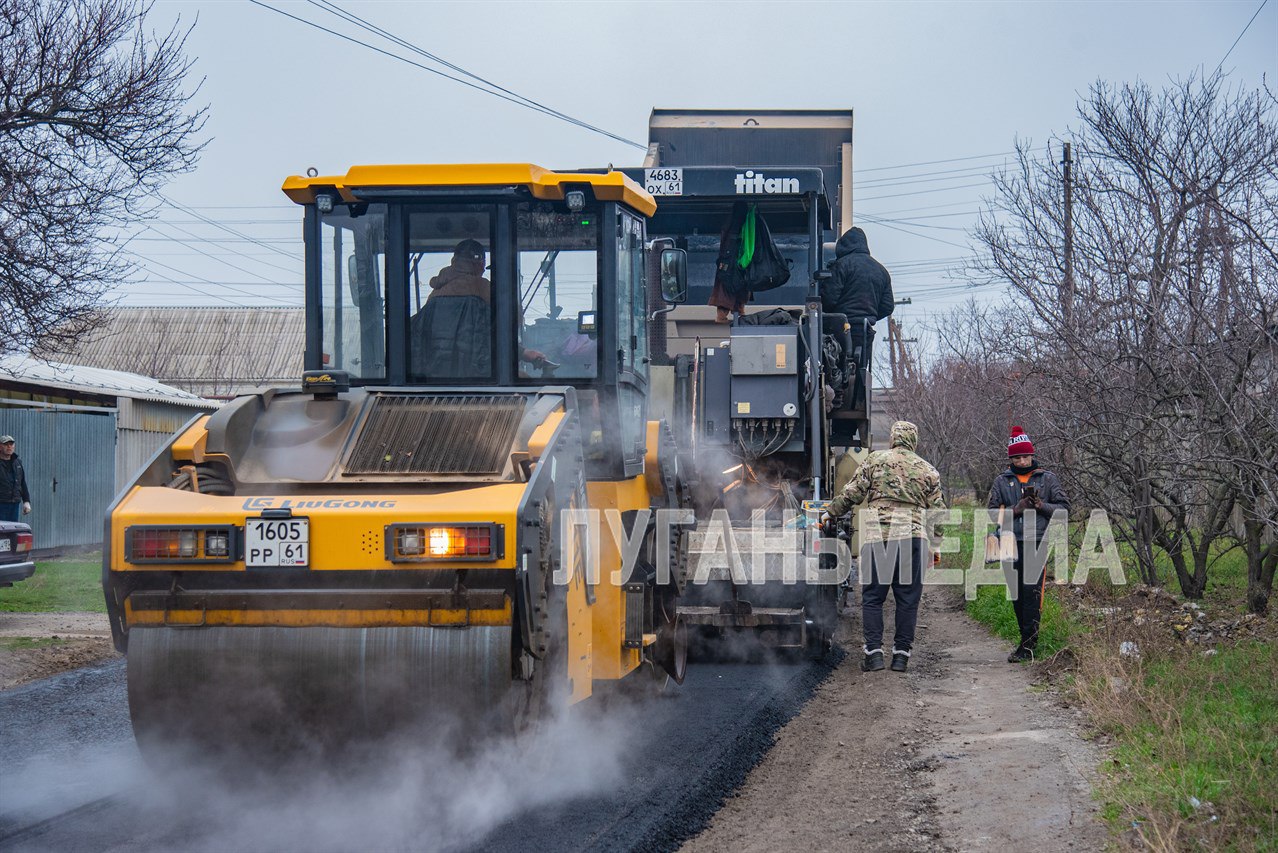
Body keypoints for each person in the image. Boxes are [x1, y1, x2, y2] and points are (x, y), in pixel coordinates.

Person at [824, 421, 944, 673]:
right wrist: (935, 546)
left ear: (892, 439)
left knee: (873, 598)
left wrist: (829, 514)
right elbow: (938, 514)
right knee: (908, 600)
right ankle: (901, 657)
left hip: (879, 536)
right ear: (914, 440)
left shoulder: (874, 460)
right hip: (913, 539)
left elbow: (851, 494)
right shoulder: (928, 470)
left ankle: (874, 656)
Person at [987, 427, 1071, 663]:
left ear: (1032, 455)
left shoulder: (1047, 478)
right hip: (1008, 543)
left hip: (1037, 541)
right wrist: (1016, 510)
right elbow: (992, 515)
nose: (1022, 461)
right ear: (1010, 458)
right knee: (1017, 595)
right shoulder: (1001, 481)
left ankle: (1028, 645)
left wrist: (1041, 506)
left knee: (1032, 594)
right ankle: (1025, 639)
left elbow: (1064, 509)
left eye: (1026, 456)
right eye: (1017, 457)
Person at [412, 239, 543, 375]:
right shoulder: (483, 288)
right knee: (524, 379)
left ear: (454, 261)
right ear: (479, 263)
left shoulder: (435, 293)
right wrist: (523, 352)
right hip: (478, 375)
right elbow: (509, 325)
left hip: (435, 378)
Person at [0, 435, 31, 523]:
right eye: (6, 444)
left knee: (12, 532)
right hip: (1, 503)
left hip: (14, 504)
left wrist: (26, 501)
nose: (9, 446)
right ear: (0, 447)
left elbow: (22, 483)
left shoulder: (17, 462)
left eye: (11, 444)